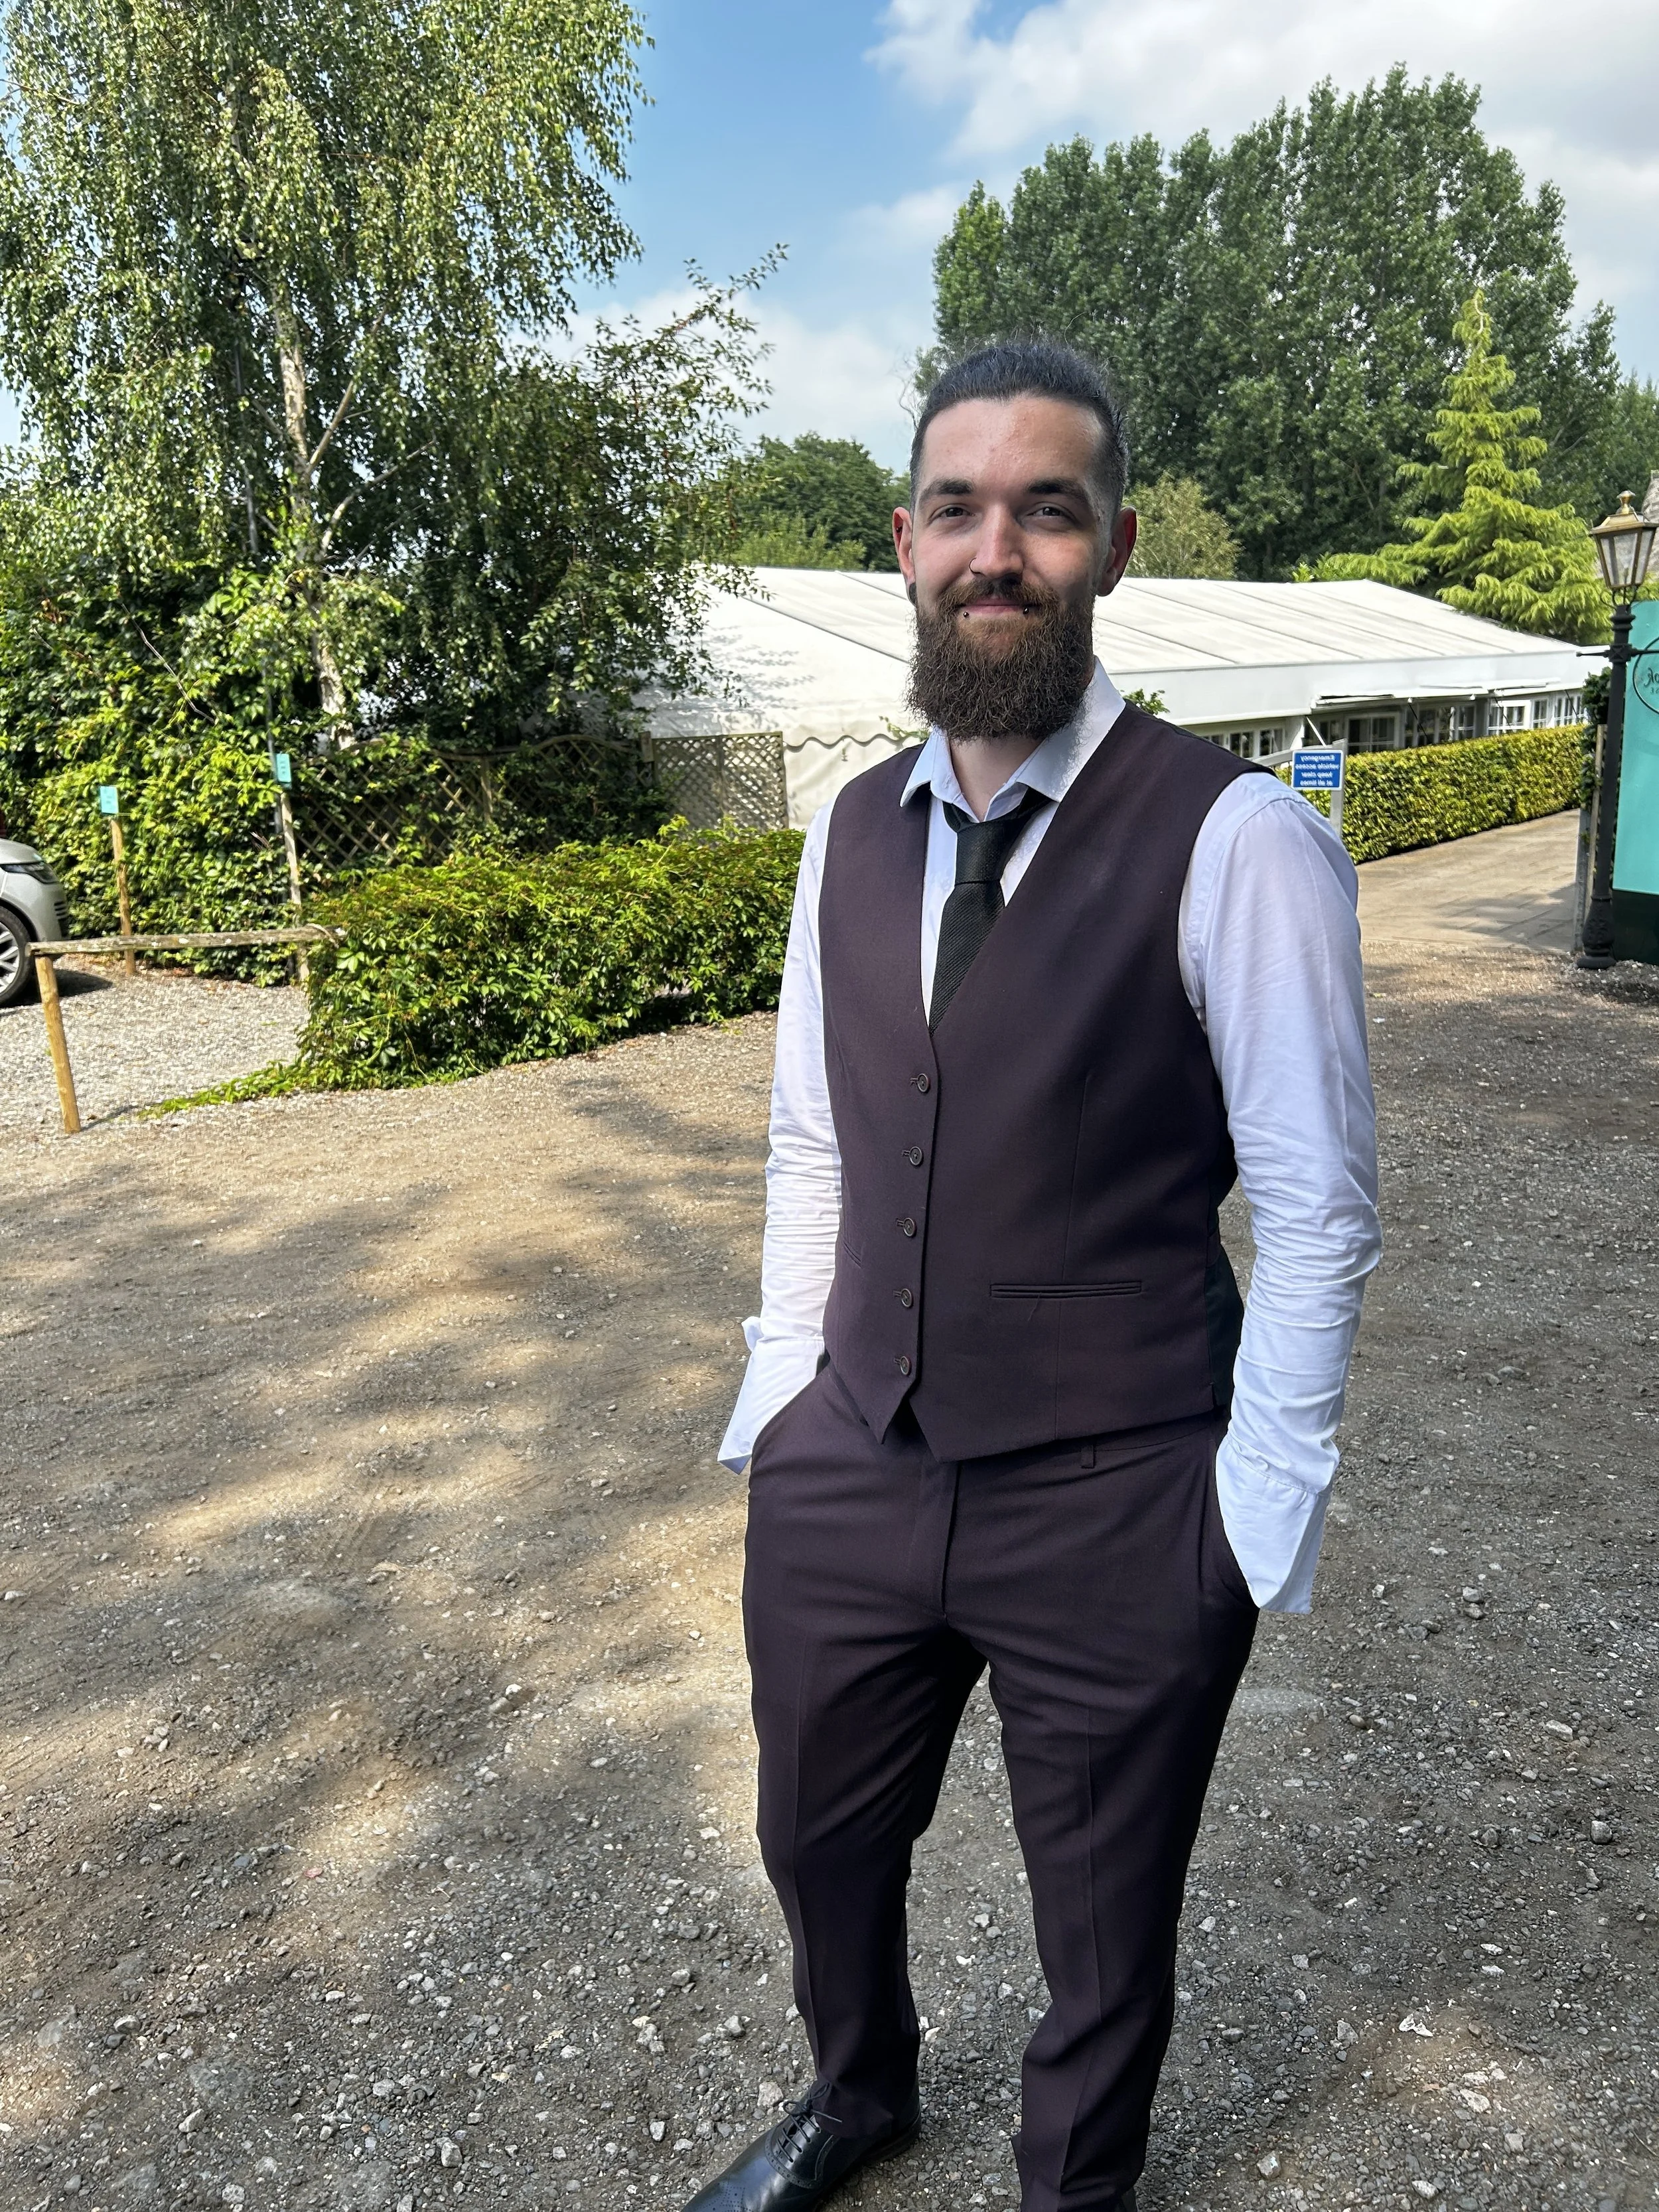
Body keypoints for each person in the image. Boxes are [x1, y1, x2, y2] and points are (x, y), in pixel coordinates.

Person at [684, 340, 1381, 2212]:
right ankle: (856, 2089)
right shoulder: (841, 832)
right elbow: (818, 1140)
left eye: (1046, 510)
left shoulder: (1236, 842)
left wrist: (1254, 1503)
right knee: (813, 1831)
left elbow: (1317, 1206)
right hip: (854, 1452)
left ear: (1111, 546)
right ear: (904, 542)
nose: (997, 549)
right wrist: (782, 1398)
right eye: (959, 508)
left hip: (1117, 1483)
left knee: (1101, 1904)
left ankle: (1073, 2185)